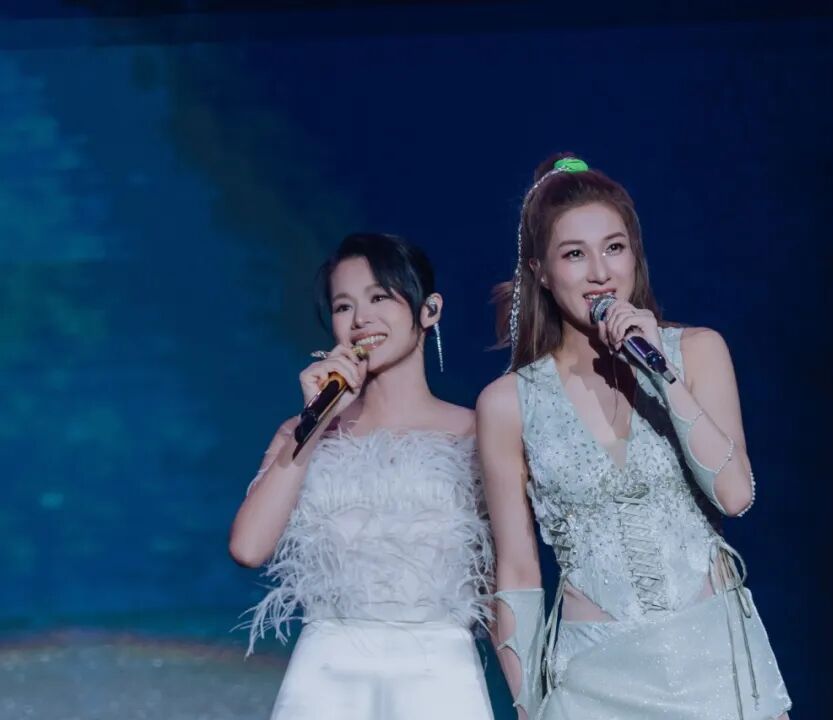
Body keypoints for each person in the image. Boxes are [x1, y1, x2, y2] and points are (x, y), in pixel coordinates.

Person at [477, 154, 792, 720]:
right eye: (575, 254)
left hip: (715, 665)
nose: (600, 272)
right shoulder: (507, 404)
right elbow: (518, 573)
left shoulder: (696, 352)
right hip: (593, 680)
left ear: (635, 255)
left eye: (614, 247)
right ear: (542, 272)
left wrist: (662, 376)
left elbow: (735, 495)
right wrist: (529, 707)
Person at [230, 233, 494, 719]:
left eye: (379, 297)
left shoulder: (477, 432)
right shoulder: (300, 432)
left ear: (429, 309)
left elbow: (505, 578)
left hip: (438, 676)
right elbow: (248, 548)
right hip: (327, 678)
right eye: (343, 306)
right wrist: (314, 424)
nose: (360, 319)